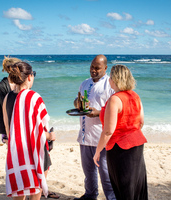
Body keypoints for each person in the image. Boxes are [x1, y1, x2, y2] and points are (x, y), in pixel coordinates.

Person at [93, 65, 148, 200]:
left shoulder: (115, 99)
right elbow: (141, 121)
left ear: (115, 79)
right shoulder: (135, 96)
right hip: (137, 144)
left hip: (120, 148)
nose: (109, 80)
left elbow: (108, 131)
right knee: (136, 185)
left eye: (111, 77)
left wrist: (98, 151)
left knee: (123, 187)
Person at [2, 62, 56, 200]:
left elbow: (9, 130)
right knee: (36, 188)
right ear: (30, 77)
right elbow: (38, 131)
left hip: (17, 151)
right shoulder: (34, 97)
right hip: (35, 150)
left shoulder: (7, 98)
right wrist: (50, 135)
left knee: (19, 190)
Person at [73, 55, 116, 200]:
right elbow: (77, 101)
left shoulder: (110, 85)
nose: (93, 70)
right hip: (85, 134)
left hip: (101, 136)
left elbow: (114, 109)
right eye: (92, 67)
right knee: (88, 171)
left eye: (97, 68)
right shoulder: (84, 83)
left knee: (105, 172)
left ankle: (111, 198)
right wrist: (77, 103)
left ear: (105, 68)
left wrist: (97, 112)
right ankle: (90, 195)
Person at [0, 56, 21, 144]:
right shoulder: (2, 85)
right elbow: (5, 109)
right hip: (8, 124)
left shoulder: (21, 82)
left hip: (19, 123)